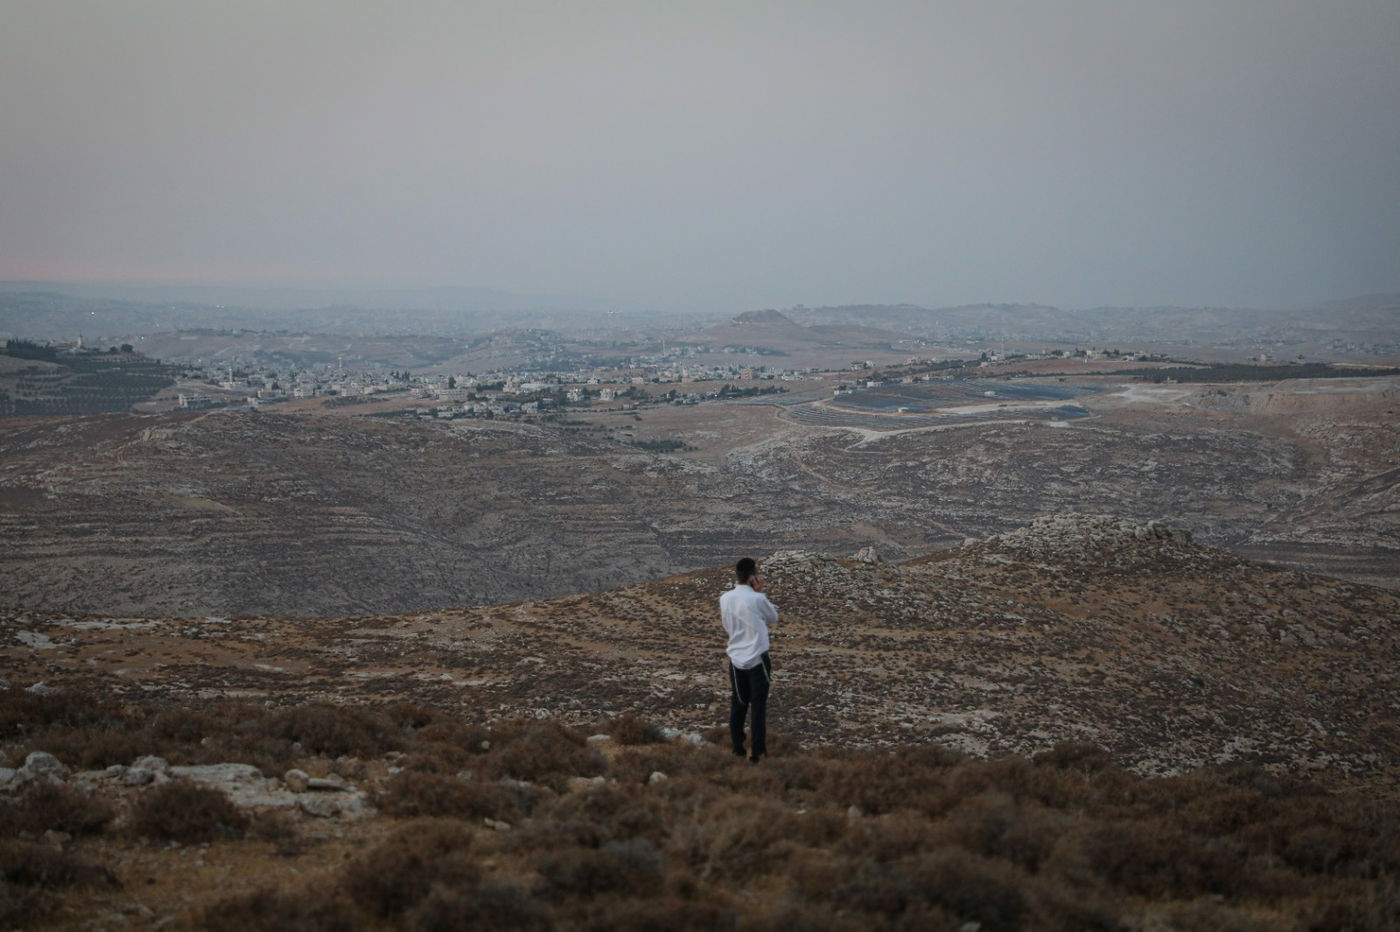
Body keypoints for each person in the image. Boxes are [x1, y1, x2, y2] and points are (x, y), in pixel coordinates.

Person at [720, 557, 778, 762]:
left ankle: (737, 747)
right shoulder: (757, 599)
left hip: (736, 658)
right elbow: (773, 618)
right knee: (758, 707)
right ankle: (758, 752)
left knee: (738, 704)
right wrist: (759, 592)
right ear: (753, 576)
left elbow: (726, 625)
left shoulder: (725, 598)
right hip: (757, 658)